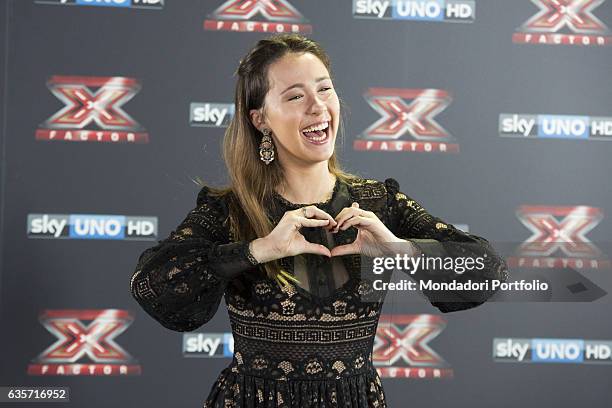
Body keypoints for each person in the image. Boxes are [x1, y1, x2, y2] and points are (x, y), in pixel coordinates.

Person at [129, 34, 509, 408]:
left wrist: (398, 249)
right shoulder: (229, 209)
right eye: (295, 96)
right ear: (260, 119)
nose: (317, 107)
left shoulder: (379, 202)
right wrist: (259, 250)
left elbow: (488, 271)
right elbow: (152, 287)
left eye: (324, 90)